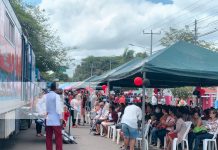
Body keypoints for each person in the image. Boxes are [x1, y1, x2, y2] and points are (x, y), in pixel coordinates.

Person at [45, 82, 64, 150]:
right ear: (56, 88)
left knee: (48, 137)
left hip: (48, 118)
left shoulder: (46, 95)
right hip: (56, 119)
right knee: (58, 137)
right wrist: (61, 118)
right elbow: (59, 108)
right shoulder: (56, 96)